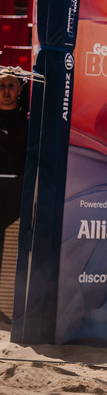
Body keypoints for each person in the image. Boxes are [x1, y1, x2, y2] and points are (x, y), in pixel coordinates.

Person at [0, 66, 28, 275]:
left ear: (20, 90)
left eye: (11, 86)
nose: (6, 90)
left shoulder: (29, 123)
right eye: (1, 86)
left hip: (16, 194)